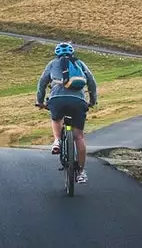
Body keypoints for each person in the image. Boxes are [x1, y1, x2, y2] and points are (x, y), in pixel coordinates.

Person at [35, 42, 98, 183]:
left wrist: (40, 101)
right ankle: (81, 172)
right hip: (78, 101)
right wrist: (93, 101)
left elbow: (42, 83)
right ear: (72, 53)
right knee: (79, 137)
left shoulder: (52, 64)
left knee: (56, 119)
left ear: (56, 53)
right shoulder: (80, 64)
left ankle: (57, 141)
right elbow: (92, 83)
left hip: (57, 100)